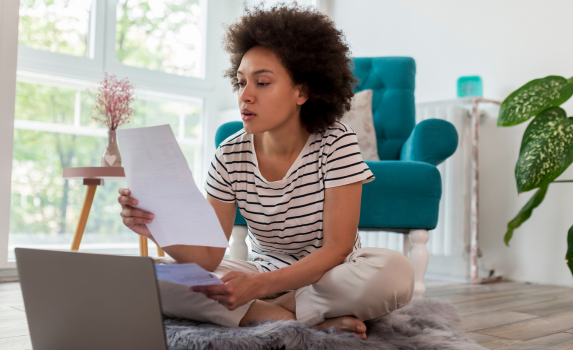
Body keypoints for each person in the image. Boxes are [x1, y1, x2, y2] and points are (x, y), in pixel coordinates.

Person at [117, 4, 414, 339]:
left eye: (262, 82)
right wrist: (157, 228)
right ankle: (301, 321)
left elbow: (337, 248)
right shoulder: (229, 154)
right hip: (259, 271)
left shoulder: (336, 142)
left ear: (302, 91)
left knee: (395, 272)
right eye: (241, 82)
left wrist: (256, 286)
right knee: (154, 277)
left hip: (330, 276)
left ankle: (267, 312)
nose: (245, 96)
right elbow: (210, 255)